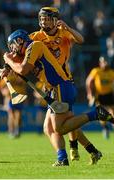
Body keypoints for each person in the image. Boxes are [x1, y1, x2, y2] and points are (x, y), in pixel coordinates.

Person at [0, 29, 114, 166]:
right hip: (57, 88)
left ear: (19, 41)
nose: (12, 49)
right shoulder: (27, 51)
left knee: (60, 128)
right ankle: (78, 154)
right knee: (50, 128)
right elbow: (17, 65)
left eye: (12, 45)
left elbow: (22, 69)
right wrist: (7, 68)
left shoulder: (34, 46)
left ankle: (95, 114)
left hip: (59, 86)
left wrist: (8, 61)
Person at [29, 7, 102, 164]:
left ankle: (65, 157)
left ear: (55, 20)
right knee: (56, 126)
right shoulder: (36, 37)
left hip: (61, 84)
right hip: (50, 85)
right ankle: (90, 151)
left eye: (47, 19)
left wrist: (67, 27)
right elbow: (20, 51)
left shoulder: (64, 34)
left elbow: (81, 40)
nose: (43, 22)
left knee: (58, 127)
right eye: (42, 19)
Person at [86, 56, 114, 139]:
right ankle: (105, 128)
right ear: (100, 63)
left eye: (106, 62)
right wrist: (90, 94)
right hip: (100, 95)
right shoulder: (96, 71)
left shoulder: (112, 72)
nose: (105, 63)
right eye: (103, 62)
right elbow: (88, 81)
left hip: (109, 94)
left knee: (113, 112)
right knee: (102, 114)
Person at [0, 71, 27, 138]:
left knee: (19, 116)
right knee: (11, 116)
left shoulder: (21, 76)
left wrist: (25, 97)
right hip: (10, 99)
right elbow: (2, 87)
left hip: (20, 99)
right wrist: (5, 94)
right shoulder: (8, 76)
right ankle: (11, 131)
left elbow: (24, 88)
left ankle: (17, 131)